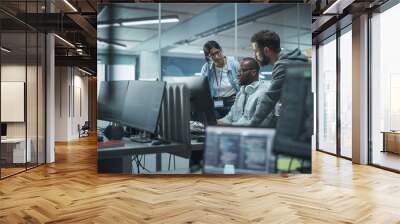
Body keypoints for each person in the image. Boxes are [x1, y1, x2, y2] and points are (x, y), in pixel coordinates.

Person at [247, 30, 309, 127]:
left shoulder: (283, 65)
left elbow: (269, 99)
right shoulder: (295, 60)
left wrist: (251, 126)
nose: (254, 55)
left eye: (256, 51)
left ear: (266, 51)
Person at [218, 57, 269, 125]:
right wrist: (216, 123)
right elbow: (230, 117)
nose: (238, 74)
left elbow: (258, 123)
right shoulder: (241, 93)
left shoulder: (263, 94)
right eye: (238, 71)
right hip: (236, 132)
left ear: (253, 72)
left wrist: (230, 126)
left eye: (241, 71)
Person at [201, 40, 240, 119]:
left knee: (231, 126)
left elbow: (242, 83)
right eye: (212, 55)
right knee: (215, 126)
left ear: (221, 50)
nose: (216, 57)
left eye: (217, 52)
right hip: (215, 103)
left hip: (232, 102)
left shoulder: (234, 64)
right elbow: (202, 86)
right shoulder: (206, 68)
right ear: (208, 57)